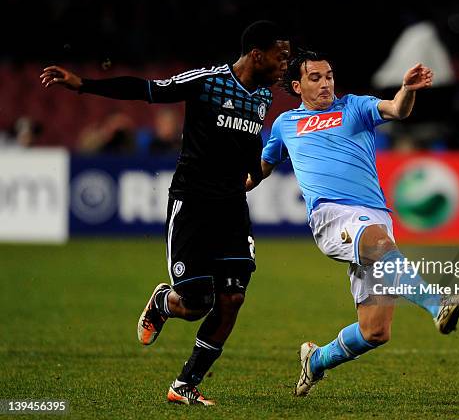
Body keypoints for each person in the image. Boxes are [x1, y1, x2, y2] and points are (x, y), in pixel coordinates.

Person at [40, 20, 290, 406]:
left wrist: (255, 173)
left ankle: (185, 385)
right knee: (196, 303)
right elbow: (147, 90)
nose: (285, 63)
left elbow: (247, 139)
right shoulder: (208, 80)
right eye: (281, 55)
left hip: (231, 208)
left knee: (232, 299)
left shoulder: (262, 95)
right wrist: (85, 85)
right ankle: (162, 303)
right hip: (192, 203)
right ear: (257, 54)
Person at [248, 49, 459, 396]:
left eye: (329, 76)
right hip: (332, 215)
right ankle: (437, 304)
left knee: (375, 332)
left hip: (375, 217)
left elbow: (396, 109)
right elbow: (258, 172)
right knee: (378, 243)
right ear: (297, 86)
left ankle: (317, 359)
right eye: (315, 78)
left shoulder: (354, 106)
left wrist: (408, 90)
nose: (325, 83)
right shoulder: (285, 125)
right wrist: (222, 192)